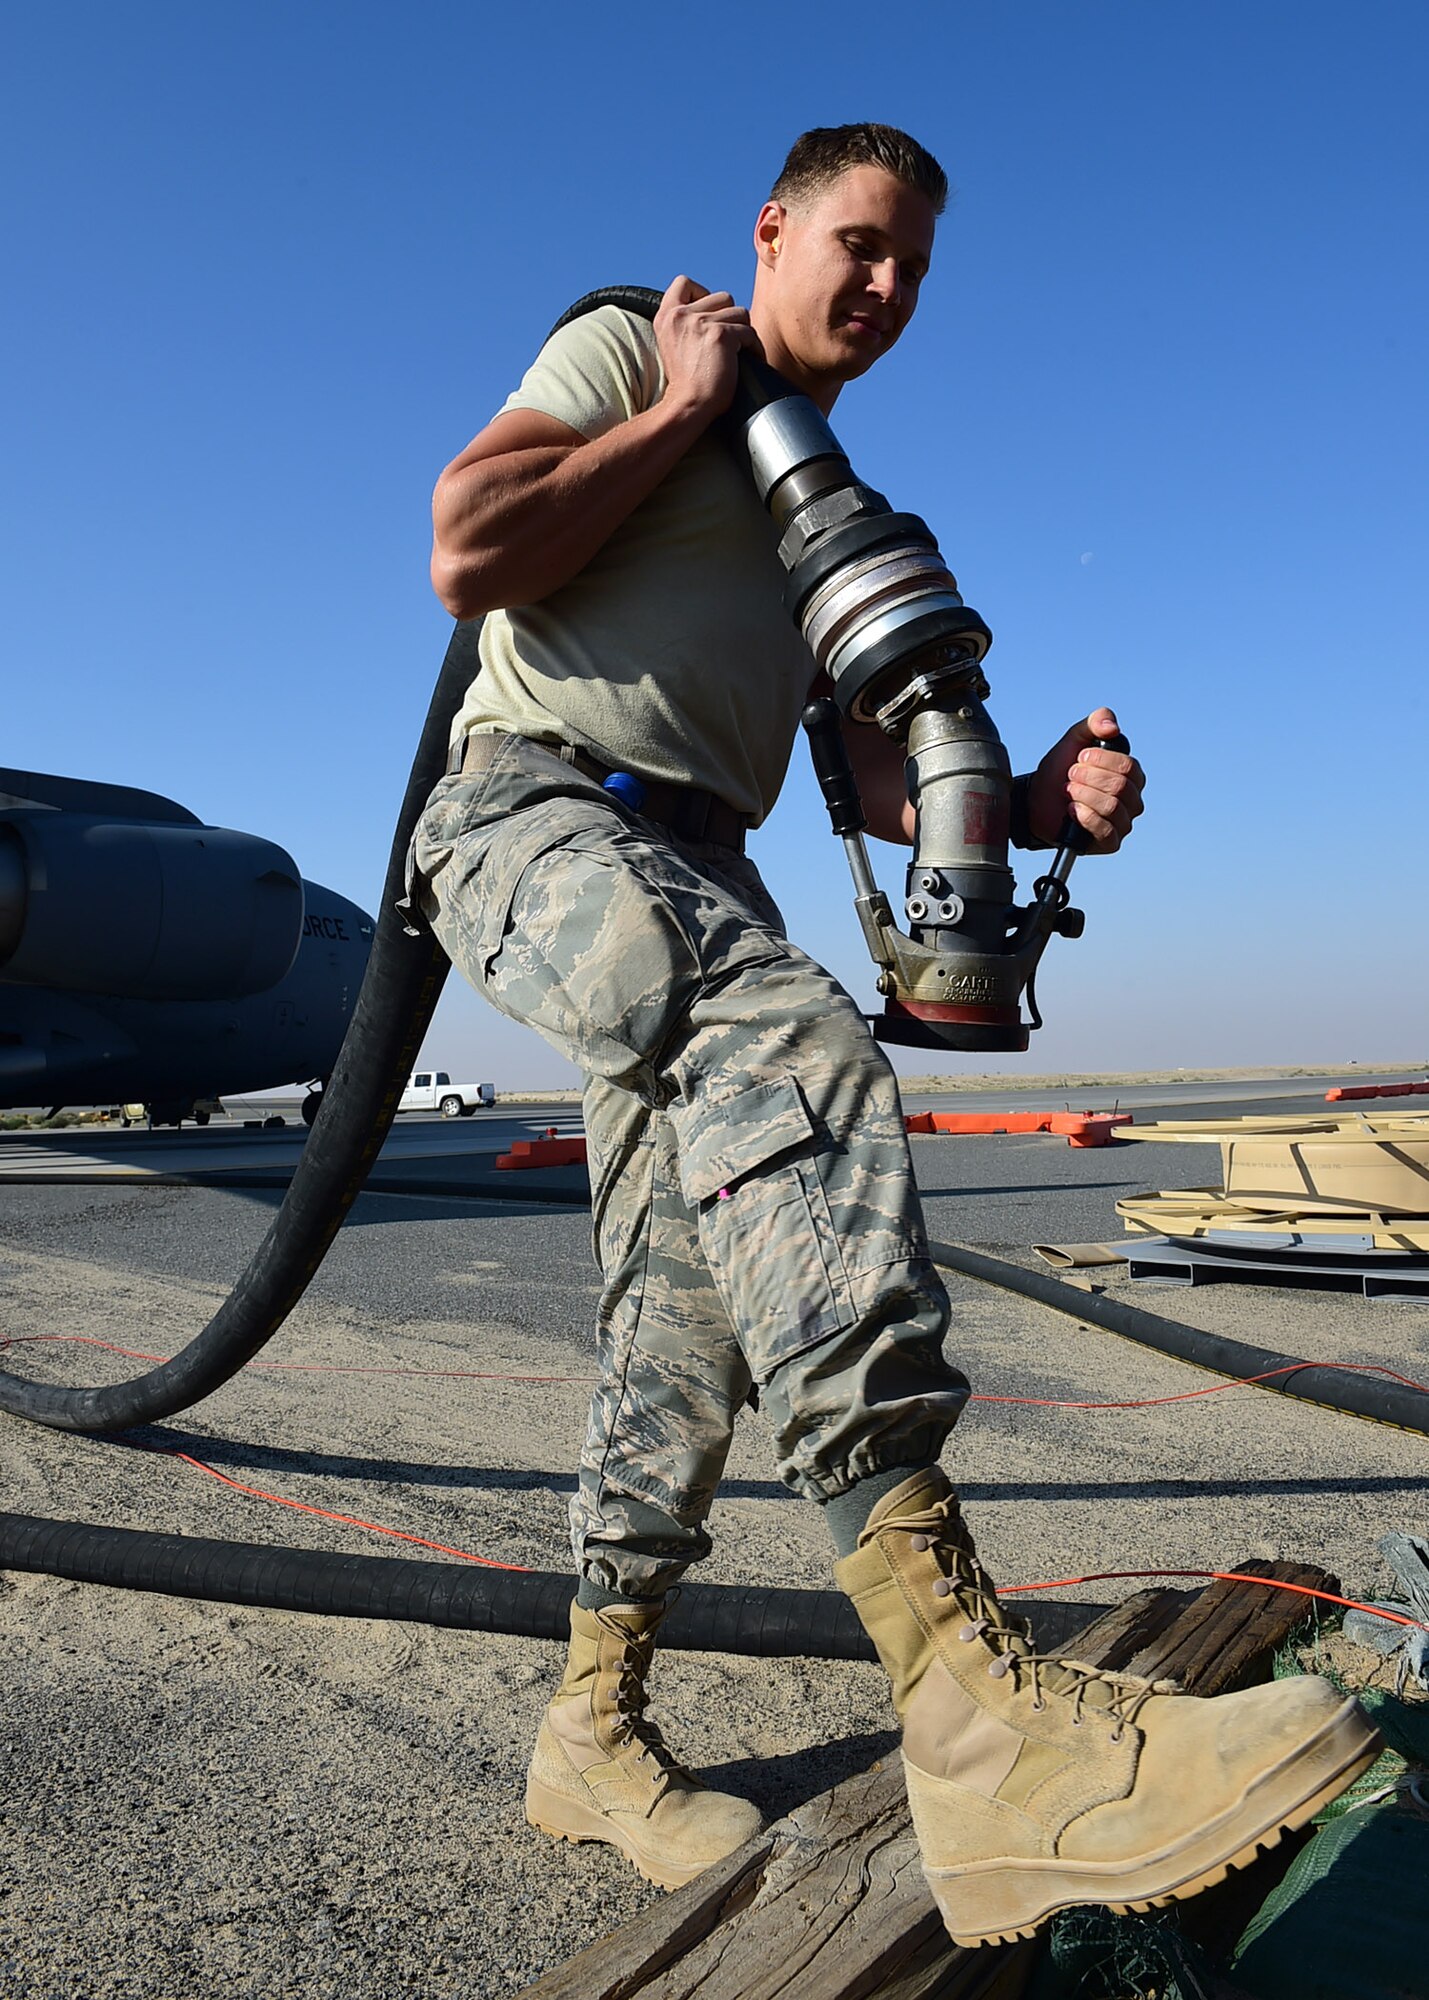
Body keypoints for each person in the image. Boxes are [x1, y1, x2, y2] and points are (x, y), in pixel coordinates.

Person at [415, 125, 1375, 1948]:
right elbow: (469, 546)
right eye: (859, 245)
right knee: (795, 1056)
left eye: (915, 268)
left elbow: (886, 777)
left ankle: (587, 1729)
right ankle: (973, 1707)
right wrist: (679, 405)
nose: (885, 289)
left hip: (695, 866)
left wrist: (1046, 805)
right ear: (772, 230)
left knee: (680, 1310)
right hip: (533, 816)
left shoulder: (817, 509)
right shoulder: (642, 347)